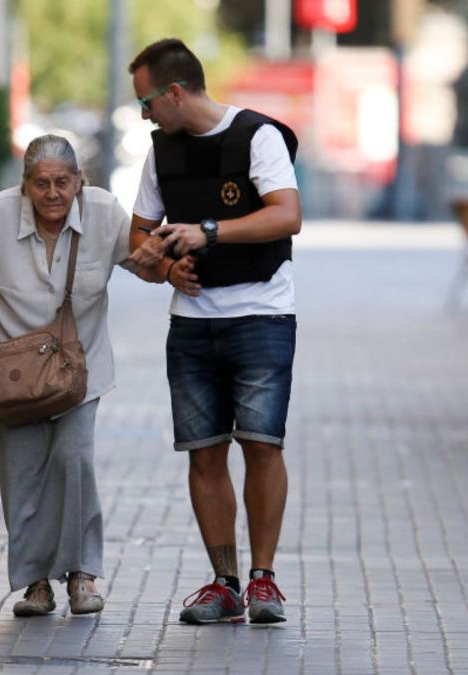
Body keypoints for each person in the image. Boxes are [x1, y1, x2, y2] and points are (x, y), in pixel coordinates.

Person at [125, 38, 301, 625]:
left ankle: (263, 581)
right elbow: (137, 239)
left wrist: (208, 231)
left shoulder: (257, 136)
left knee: (261, 445)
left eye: (147, 101)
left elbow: (286, 214)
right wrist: (165, 266)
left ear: (174, 92)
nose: (144, 114)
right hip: (192, 326)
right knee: (203, 454)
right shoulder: (160, 152)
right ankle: (224, 583)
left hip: (261, 315)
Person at [0, 135, 146, 617]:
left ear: (79, 182)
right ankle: (36, 583)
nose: (52, 193)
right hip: (14, 373)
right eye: (41, 184)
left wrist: (172, 264)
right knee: (23, 475)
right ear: (26, 186)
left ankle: (81, 574)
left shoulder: (103, 212)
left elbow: (142, 261)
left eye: (62, 182)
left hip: (79, 369)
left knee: (74, 460)